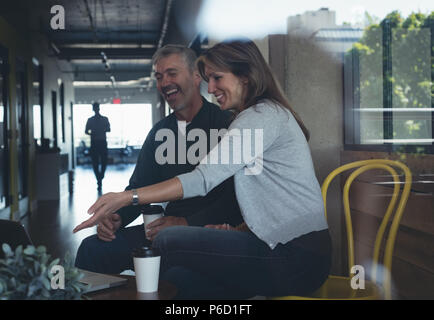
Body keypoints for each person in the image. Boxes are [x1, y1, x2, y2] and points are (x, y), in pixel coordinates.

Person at [74, 39, 331, 299]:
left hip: (295, 257)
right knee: (179, 280)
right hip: (277, 248)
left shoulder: (257, 119)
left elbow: (204, 179)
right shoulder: (253, 118)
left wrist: (126, 198)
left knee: (168, 242)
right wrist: (236, 230)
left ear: (245, 76)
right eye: (210, 79)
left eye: (217, 78)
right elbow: (265, 202)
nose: (212, 88)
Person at [74, 45, 243, 274]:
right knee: (92, 248)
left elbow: (237, 199)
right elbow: (139, 188)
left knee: (176, 275)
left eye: (172, 73)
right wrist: (117, 218)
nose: (164, 83)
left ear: (196, 76)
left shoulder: (228, 124)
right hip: (166, 230)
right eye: (159, 76)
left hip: (213, 231)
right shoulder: (159, 133)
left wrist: (186, 223)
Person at [85, 102, 111, 191]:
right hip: (95, 142)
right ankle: (99, 179)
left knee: (104, 161)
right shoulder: (90, 120)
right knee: (95, 162)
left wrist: (101, 130)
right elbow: (86, 131)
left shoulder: (104, 119)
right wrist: (93, 133)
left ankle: (101, 176)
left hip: (102, 142)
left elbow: (109, 129)